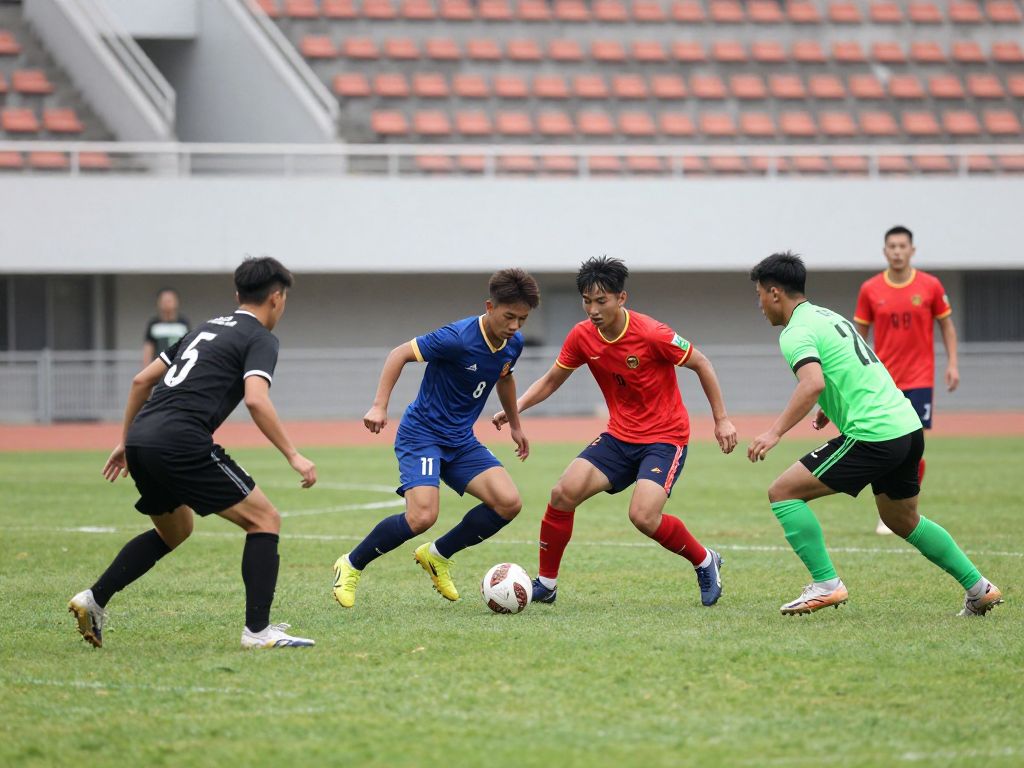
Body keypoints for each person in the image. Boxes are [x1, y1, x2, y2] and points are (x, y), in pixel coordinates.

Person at [68, 257, 318, 649]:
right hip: (180, 440)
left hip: (143, 438)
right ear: (276, 298)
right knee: (265, 519)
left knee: (175, 530)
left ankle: (93, 599)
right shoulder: (260, 338)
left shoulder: (204, 328)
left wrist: (125, 440)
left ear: (238, 293)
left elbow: (141, 381)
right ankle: (257, 632)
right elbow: (256, 399)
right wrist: (293, 455)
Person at [747, 252, 1001, 617]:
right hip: (906, 427)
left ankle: (826, 584)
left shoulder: (795, 332)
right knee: (902, 519)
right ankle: (979, 589)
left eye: (758, 294)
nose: (759, 304)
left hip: (874, 434)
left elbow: (812, 382)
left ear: (774, 293)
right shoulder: (828, 317)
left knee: (783, 493)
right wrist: (831, 404)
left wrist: (774, 433)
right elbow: (852, 366)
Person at [493, 256, 738, 607]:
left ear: (621, 298)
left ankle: (704, 560)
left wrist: (721, 419)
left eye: (601, 301)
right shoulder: (582, 336)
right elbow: (551, 380)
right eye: (586, 301)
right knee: (562, 493)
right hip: (619, 436)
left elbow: (702, 363)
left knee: (643, 516)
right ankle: (546, 583)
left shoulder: (652, 333)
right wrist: (514, 410)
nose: (593, 310)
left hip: (664, 439)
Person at [332, 269, 540, 608]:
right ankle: (351, 564)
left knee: (508, 503)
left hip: (461, 440)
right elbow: (399, 354)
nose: (515, 326)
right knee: (421, 517)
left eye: (523, 319)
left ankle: (437, 555)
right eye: (509, 316)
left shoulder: (512, 343)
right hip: (423, 435)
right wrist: (379, 405)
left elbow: (505, 378)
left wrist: (515, 424)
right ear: (490, 306)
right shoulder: (457, 338)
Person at [854, 225, 959, 534]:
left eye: (903, 246)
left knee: (914, 448)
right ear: (885, 251)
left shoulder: (930, 286)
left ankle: (905, 509)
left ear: (912, 250)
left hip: (919, 379)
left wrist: (953, 363)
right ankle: (888, 510)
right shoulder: (870, 289)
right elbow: (859, 337)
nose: (897, 251)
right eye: (892, 246)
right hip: (883, 382)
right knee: (884, 445)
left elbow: (947, 326)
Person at [143, 287, 190, 366]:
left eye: (169, 300)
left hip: (178, 366)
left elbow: (188, 346)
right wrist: (146, 367)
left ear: (176, 302)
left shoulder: (183, 323)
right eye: (164, 301)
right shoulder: (154, 324)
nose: (167, 304)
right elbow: (148, 348)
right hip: (158, 366)